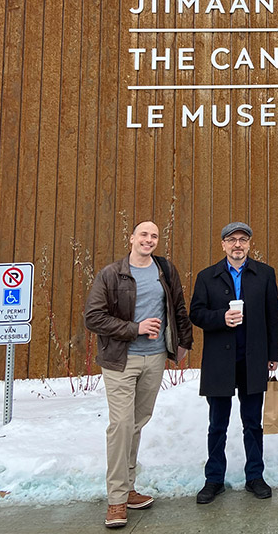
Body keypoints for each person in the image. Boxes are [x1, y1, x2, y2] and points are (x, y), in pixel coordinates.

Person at [84, 221, 192, 529]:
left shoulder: (165, 271)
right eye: (143, 234)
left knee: (136, 423)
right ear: (131, 238)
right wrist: (135, 329)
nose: (149, 239)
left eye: (154, 236)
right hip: (120, 360)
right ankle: (116, 500)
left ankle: (128, 488)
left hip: (155, 359)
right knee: (120, 425)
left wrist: (183, 343)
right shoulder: (111, 274)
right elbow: (93, 317)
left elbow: (179, 308)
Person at [189, 222, 278, 504]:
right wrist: (221, 318)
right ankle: (214, 479)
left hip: (253, 360)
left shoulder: (264, 274)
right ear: (223, 245)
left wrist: (273, 355)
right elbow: (196, 313)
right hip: (219, 362)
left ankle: (255, 476)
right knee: (217, 424)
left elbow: (273, 316)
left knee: (252, 423)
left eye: (243, 239)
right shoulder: (207, 277)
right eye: (232, 240)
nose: (238, 245)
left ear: (250, 244)